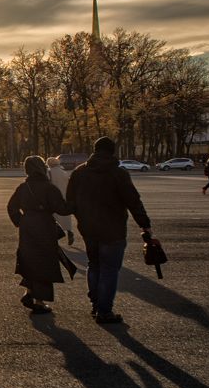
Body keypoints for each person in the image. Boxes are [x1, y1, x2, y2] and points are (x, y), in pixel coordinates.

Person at [66, 136, 152, 324]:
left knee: (94, 264)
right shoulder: (118, 174)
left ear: (94, 150)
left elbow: (70, 202)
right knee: (109, 269)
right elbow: (133, 201)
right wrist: (145, 224)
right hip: (114, 229)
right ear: (113, 152)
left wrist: (81, 218)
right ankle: (104, 311)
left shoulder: (79, 172)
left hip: (88, 228)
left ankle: (96, 305)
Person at [8, 156, 73, 314]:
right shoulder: (49, 188)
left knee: (30, 260)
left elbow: (11, 207)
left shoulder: (23, 187)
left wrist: (21, 221)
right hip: (44, 226)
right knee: (45, 262)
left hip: (27, 227)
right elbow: (62, 209)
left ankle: (29, 293)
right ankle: (39, 301)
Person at [46, 156, 75, 245]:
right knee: (66, 218)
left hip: (53, 199)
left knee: (54, 219)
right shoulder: (64, 172)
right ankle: (69, 232)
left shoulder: (49, 172)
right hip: (64, 198)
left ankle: (55, 239)